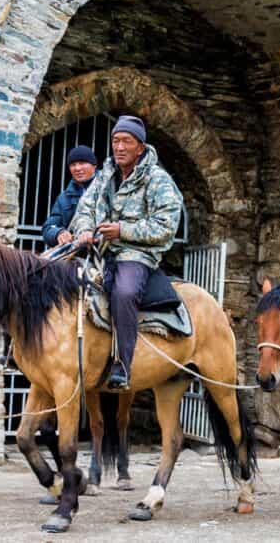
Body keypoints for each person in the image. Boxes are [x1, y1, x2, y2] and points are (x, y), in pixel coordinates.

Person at [71, 115, 183, 390]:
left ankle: (123, 363)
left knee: (125, 292)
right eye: (115, 141)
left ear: (140, 148)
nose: (119, 147)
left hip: (136, 254)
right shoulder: (105, 174)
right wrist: (84, 230)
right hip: (99, 248)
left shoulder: (158, 180)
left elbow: (166, 227)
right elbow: (84, 208)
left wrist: (122, 231)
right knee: (51, 271)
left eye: (126, 142)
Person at [41, 145, 98, 248]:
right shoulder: (65, 197)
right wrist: (59, 233)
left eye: (82, 163)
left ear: (94, 165)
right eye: (73, 164)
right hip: (75, 250)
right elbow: (48, 228)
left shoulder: (108, 188)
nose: (77, 168)